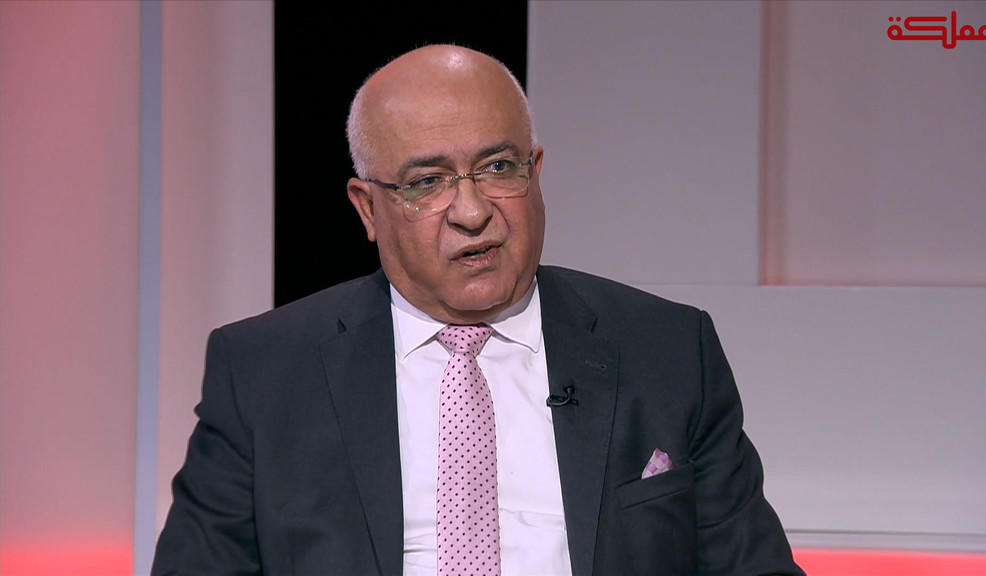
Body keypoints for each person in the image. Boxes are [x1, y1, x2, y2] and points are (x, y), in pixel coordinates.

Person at [153, 44, 803, 576]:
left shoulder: (666, 350)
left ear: (536, 172)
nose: (471, 212)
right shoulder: (264, 373)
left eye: (497, 167)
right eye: (426, 182)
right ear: (367, 208)